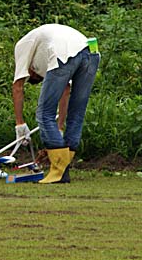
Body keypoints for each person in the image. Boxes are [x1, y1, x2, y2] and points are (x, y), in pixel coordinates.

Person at [12, 24, 99, 184]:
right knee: (76, 114)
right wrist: (58, 129)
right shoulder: (44, 53)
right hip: (91, 52)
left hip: (65, 52)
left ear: (31, 70)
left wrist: (20, 123)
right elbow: (65, 89)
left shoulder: (22, 46)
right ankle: (62, 168)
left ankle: (59, 172)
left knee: (44, 114)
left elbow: (18, 86)